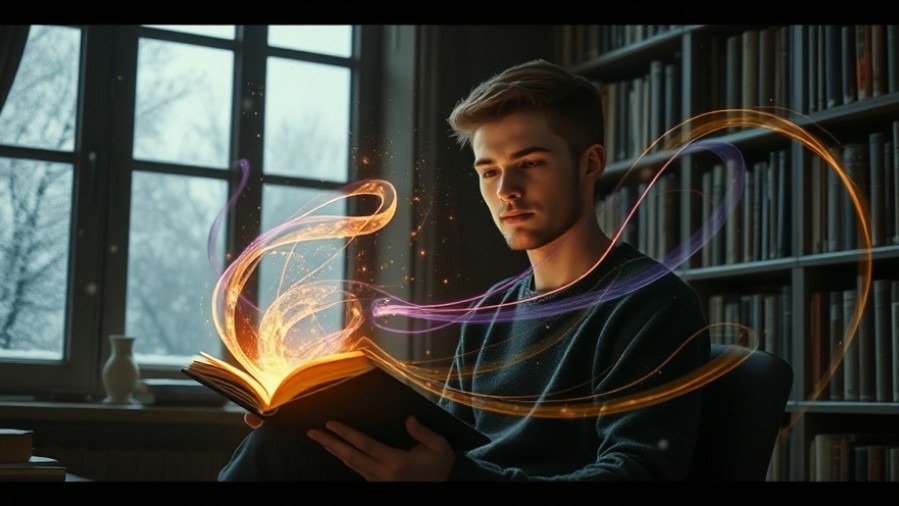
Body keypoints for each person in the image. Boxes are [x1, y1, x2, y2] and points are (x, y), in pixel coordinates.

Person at [217, 58, 711, 481]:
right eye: (489, 170)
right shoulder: (491, 308)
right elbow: (444, 443)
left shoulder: (651, 305)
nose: (506, 190)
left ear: (589, 163)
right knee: (281, 446)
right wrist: (313, 420)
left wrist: (454, 476)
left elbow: (634, 474)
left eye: (531, 163)